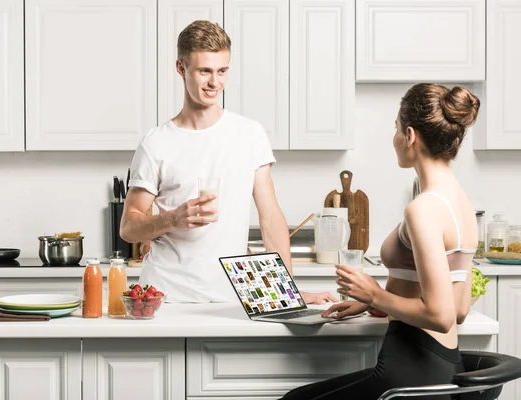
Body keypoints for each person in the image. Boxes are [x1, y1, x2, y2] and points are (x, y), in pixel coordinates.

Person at [281, 83, 481, 400]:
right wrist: (370, 301)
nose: (394, 139)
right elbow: (459, 310)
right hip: (441, 365)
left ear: (411, 136)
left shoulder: (423, 209)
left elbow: (441, 316)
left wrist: (374, 295)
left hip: (408, 374)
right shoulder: (462, 205)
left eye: (396, 129)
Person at [120, 20, 337, 304]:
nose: (215, 82)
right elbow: (128, 227)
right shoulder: (156, 143)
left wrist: (289, 291)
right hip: (166, 296)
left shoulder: (249, 134)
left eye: (222, 71)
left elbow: (270, 217)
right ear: (181, 68)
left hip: (232, 297)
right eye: (205, 71)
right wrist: (173, 219)